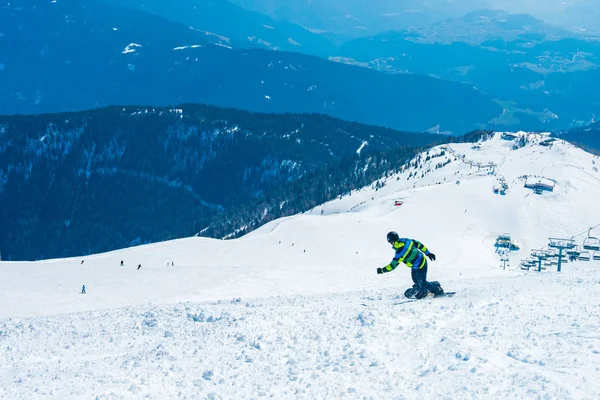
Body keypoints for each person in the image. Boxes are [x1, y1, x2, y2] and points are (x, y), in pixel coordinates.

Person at [377, 231, 444, 299]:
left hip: (421, 265)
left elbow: (392, 266)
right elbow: (419, 244)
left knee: (423, 283)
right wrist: (428, 253)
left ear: (392, 242)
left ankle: (436, 288)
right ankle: (420, 288)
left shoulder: (400, 252)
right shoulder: (406, 240)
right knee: (415, 280)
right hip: (415, 266)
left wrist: (382, 270)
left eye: (390, 243)